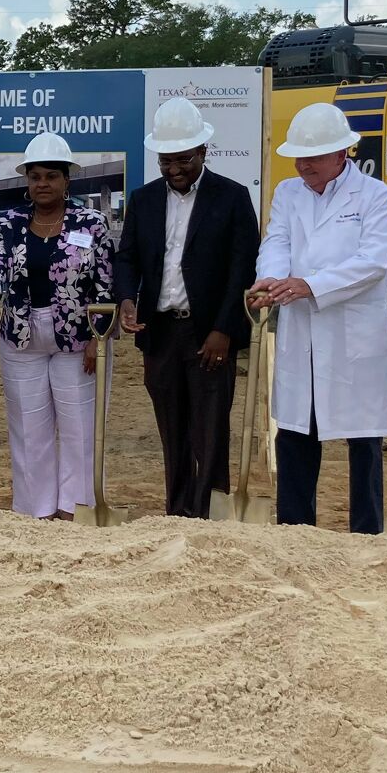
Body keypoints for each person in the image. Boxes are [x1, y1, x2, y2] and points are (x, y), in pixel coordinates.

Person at [249, 103, 387, 534]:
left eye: (311, 157)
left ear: (341, 155)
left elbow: (372, 262)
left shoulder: (374, 196)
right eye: (298, 157)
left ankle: (367, 532)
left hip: (353, 331)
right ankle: (296, 529)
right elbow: (276, 240)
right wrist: (271, 279)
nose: (302, 165)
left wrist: (311, 285)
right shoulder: (288, 193)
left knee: (363, 440)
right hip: (301, 329)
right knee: (296, 431)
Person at [112, 96, 260, 518]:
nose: (174, 169)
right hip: (160, 335)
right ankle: (177, 511)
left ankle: (211, 515)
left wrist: (225, 330)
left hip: (209, 334)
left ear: (203, 152)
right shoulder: (144, 200)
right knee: (172, 429)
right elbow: (128, 258)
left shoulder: (231, 198)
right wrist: (126, 299)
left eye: (183, 160)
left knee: (210, 431)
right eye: (166, 161)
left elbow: (242, 269)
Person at [0, 131, 115, 519]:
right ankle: (35, 509)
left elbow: (105, 282)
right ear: (27, 181)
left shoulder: (91, 222)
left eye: (51, 176)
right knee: (28, 427)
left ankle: (76, 506)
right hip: (20, 335)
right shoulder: (11, 223)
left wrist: (98, 339)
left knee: (79, 427)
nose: (43, 184)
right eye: (35, 176)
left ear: (67, 179)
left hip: (78, 336)